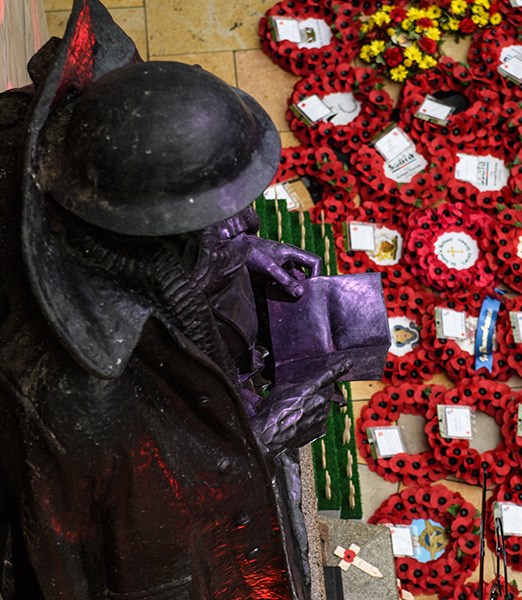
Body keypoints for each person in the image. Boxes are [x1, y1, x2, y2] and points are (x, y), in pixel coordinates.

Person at [0, 0, 358, 597]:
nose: (241, 221)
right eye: (218, 216)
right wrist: (258, 439)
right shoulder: (75, 394)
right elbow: (137, 551)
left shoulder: (69, 150)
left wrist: (235, 256)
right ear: (155, 231)